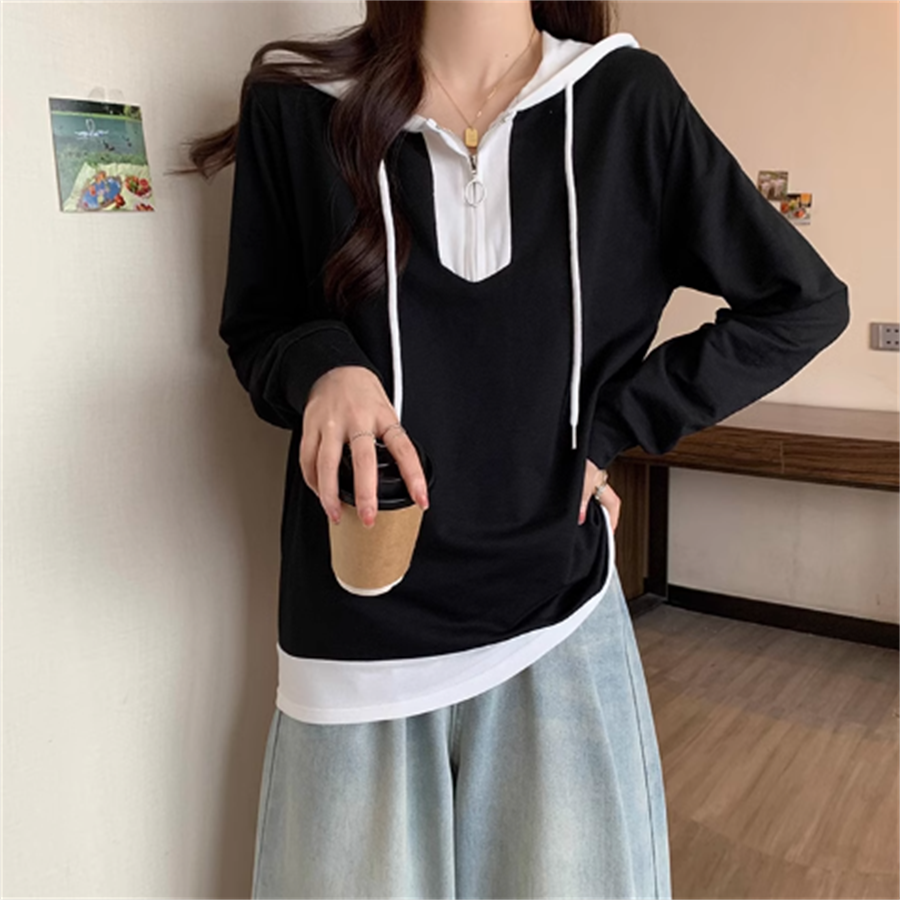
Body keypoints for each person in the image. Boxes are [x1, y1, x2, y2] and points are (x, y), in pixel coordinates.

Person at [182, 0, 849, 896]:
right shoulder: (298, 105)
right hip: (354, 635)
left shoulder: (622, 100)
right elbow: (259, 325)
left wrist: (612, 426)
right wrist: (324, 366)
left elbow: (801, 304)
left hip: (558, 620)